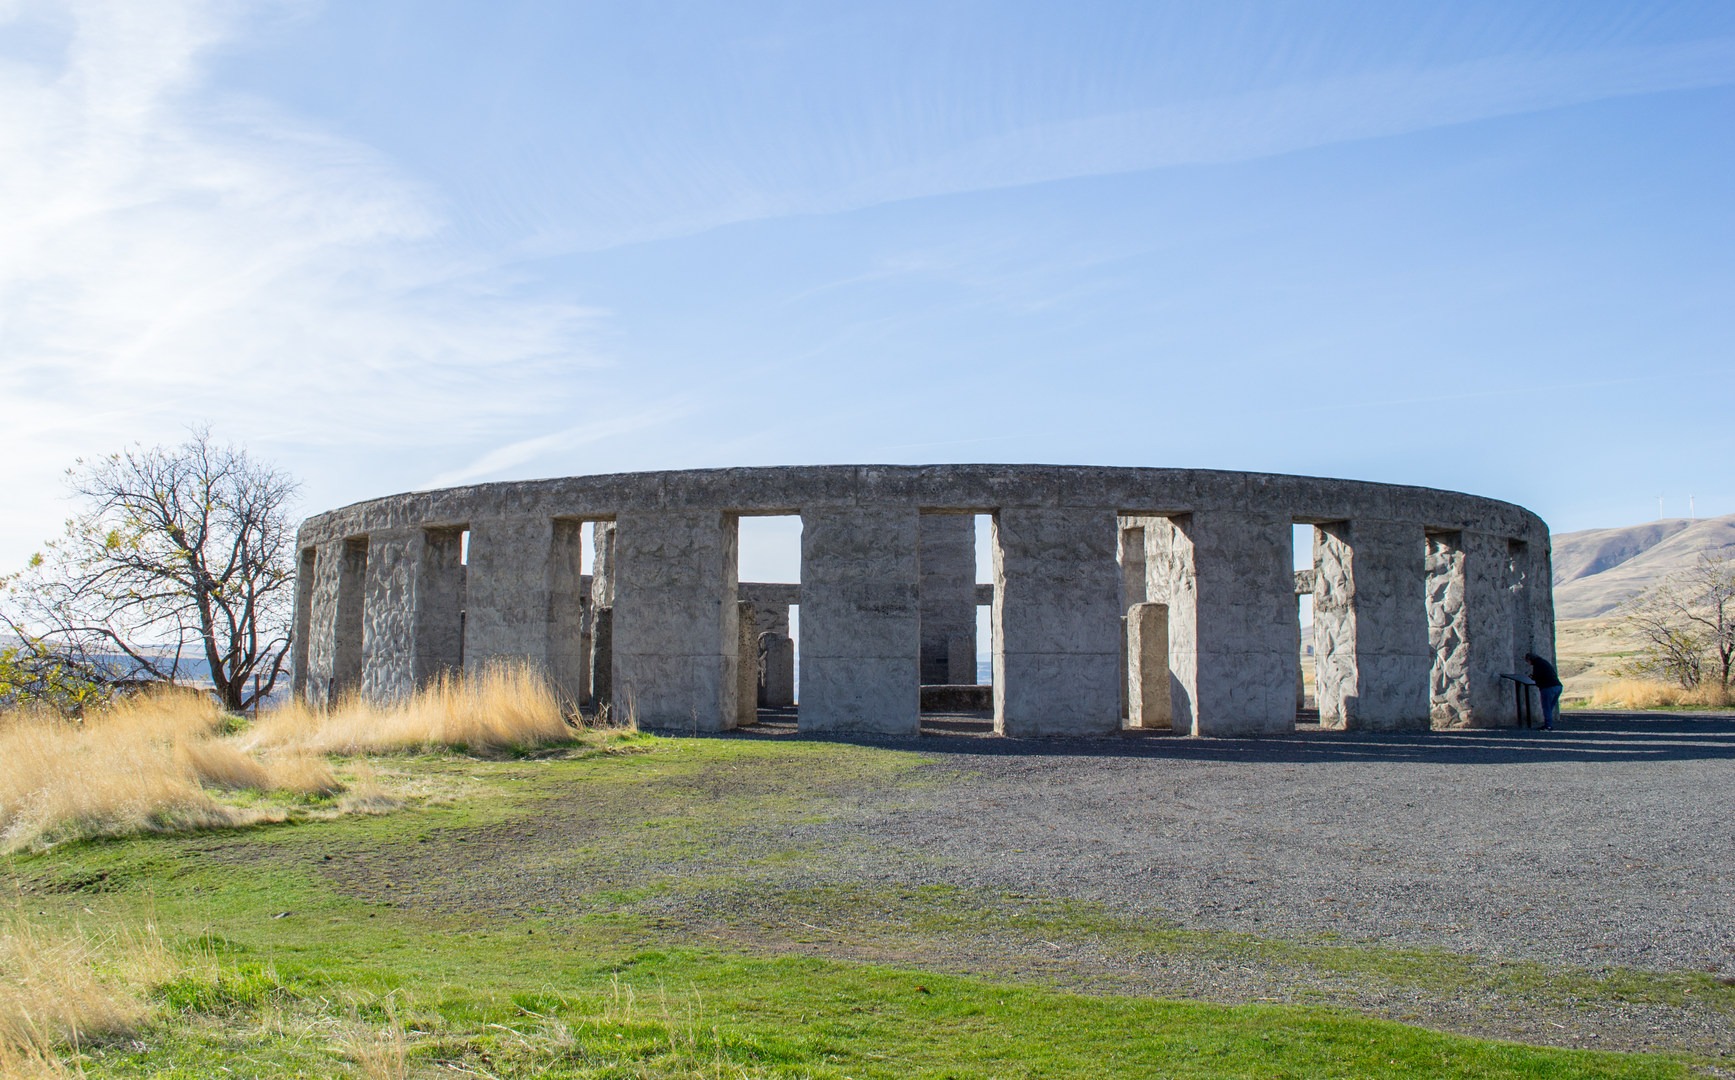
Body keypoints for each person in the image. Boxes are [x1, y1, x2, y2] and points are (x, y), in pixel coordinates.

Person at [1525, 651, 1562, 730]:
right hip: (1558, 686)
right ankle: (1549, 723)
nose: (1528, 663)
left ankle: (1548, 725)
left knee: (1546, 707)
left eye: (1527, 661)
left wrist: (1532, 677)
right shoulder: (1544, 662)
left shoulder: (1537, 664)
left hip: (1548, 687)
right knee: (1550, 707)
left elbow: (1538, 676)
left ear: (1530, 659)